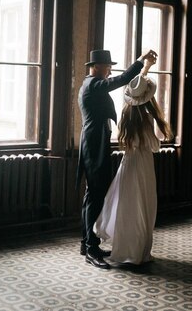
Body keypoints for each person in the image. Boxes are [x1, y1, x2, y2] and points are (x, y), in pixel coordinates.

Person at [77, 48, 157, 269]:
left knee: (92, 196)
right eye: (107, 65)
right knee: (94, 196)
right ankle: (91, 250)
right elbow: (122, 80)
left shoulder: (91, 84)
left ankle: (87, 243)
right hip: (94, 147)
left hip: (95, 145)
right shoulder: (93, 84)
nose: (110, 69)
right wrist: (141, 61)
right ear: (96, 67)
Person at [93, 55, 173, 266]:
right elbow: (154, 146)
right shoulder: (146, 119)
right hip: (143, 166)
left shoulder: (126, 116)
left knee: (126, 206)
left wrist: (145, 67)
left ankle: (125, 247)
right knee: (143, 206)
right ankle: (139, 252)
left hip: (127, 165)